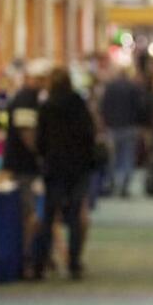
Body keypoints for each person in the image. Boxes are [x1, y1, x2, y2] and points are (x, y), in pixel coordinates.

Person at [35, 67, 96, 280]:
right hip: (78, 168)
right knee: (74, 216)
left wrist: (45, 156)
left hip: (54, 168)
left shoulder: (47, 106)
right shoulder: (78, 104)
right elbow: (90, 134)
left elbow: (40, 140)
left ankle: (39, 264)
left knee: (49, 217)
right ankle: (74, 262)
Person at [2, 59, 49, 277]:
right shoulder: (26, 99)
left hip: (24, 164)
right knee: (28, 214)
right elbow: (26, 131)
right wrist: (40, 154)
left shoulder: (30, 98)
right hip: (23, 165)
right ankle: (26, 258)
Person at [100, 67, 146, 198]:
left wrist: (106, 122)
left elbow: (104, 106)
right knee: (128, 157)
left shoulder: (110, 88)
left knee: (112, 158)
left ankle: (111, 183)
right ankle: (124, 185)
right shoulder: (133, 88)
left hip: (113, 127)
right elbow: (139, 107)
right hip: (129, 127)